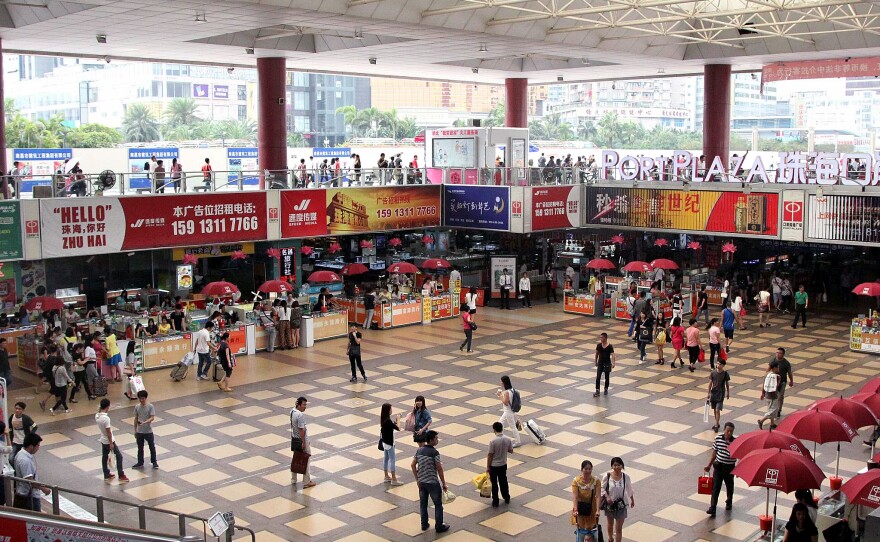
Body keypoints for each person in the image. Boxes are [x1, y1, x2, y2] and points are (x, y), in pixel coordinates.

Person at [411, 430, 450, 533]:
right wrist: (444, 483)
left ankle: (424, 524)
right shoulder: (434, 452)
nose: (437, 440)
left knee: (423, 504)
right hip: (432, 482)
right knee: (438, 504)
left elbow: (412, 465)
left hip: (422, 482)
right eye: (436, 438)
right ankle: (439, 526)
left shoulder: (419, 451)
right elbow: (439, 468)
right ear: (431, 440)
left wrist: (417, 479)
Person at [704, 422, 737, 518]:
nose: (729, 433)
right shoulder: (718, 439)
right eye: (727, 431)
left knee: (729, 486)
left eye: (731, 431)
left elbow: (739, 455)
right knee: (716, 487)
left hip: (729, 467)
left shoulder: (735, 442)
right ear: (724, 430)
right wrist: (709, 465)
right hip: (718, 467)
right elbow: (714, 452)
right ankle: (713, 507)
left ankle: (729, 501)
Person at [13, 433, 50, 511]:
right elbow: (29, 480)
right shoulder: (24, 460)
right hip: (29, 497)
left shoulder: (20, 454)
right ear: (31, 446)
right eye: (38, 446)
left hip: (24, 494)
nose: (38, 448)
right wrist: (44, 489)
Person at [96, 398, 129, 483]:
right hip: (108, 441)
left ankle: (106, 474)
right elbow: (109, 432)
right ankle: (121, 474)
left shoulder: (97, 416)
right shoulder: (106, 418)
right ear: (108, 407)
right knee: (119, 456)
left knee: (104, 456)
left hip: (103, 439)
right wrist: (111, 443)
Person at [602, 457, 635, 542]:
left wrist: (632, 499)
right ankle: (610, 538)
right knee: (610, 524)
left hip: (621, 504)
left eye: (618, 465)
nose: (617, 467)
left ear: (622, 466)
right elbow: (602, 488)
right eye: (615, 465)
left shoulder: (625, 477)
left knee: (619, 528)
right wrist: (607, 496)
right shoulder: (607, 476)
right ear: (612, 466)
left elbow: (629, 488)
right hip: (610, 504)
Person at [571, 459, 602, 542]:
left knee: (592, 529)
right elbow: (575, 496)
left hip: (592, 507)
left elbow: (598, 496)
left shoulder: (596, 481)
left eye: (589, 469)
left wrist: (598, 510)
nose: (588, 471)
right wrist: (575, 509)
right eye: (586, 469)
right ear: (582, 469)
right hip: (581, 507)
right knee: (581, 529)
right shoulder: (576, 481)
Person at [290, 396, 316, 489]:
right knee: (306, 459)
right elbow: (301, 429)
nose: (305, 407)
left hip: (294, 440)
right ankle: (306, 481)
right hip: (301, 440)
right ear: (299, 405)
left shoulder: (292, 411)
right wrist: (303, 442)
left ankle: (293, 479)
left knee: (295, 458)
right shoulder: (300, 415)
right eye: (304, 405)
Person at [486, 421, 514, 508]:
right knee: (503, 482)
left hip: (494, 466)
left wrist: (488, 467)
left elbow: (490, 454)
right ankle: (506, 497)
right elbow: (511, 451)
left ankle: (495, 501)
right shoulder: (508, 439)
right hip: (503, 464)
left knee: (494, 484)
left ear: (494, 430)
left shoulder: (493, 441)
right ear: (502, 428)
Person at [132, 390, 158, 469]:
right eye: (140, 398)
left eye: (143, 398)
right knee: (140, 448)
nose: (141, 400)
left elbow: (152, 417)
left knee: (152, 447)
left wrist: (145, 422)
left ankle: (154, 462)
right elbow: (136, 418)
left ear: (145, 398)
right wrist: (135, 430)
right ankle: (140, 462)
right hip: (140, 431)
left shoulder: (150, 406)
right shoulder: (137, 407)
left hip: (148, 431)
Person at [380, 403, 403, 486]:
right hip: (389, 443)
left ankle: (386, 476)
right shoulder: (387, 420)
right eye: (391, 409)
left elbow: (392, 426)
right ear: (388, 410)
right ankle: (394, 479)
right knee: (392, 460)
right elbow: (399, 428)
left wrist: (396, 421)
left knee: (386, 459)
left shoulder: (384, 419)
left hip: (385, 442)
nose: (392, 410)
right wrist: (399, 418)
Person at [496, 376, 522, 447]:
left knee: (512, 426)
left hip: (508, 412)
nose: (501, 383)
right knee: (500, 423)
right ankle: (500, 439)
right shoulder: (513, 390)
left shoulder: (507, 392)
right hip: (510, 411)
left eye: (501, 381)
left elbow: (505, 402)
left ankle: (518, 441)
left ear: (504, 383)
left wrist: (500, 395)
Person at [707, 359, 731, 432]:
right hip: (714, 393)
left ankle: (717, 425)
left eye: (720, 364)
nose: (718, 365)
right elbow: (710, 383)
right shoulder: (713, 373)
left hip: (721, 394)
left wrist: (728, 393)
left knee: (717, 409)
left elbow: (727, 384)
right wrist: (708, 393)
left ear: (723, 366)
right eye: (717, 363)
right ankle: (717, 423)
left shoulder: (725, 374)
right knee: (714, 409)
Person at [758, 360, 781, 430]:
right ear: (774, 368)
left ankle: (772, 423)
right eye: (777, 367)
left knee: (770, 409)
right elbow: (776, 387)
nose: (778, 369)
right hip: (773, 396)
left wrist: (762, 393)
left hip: (767, 395)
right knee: (773, 410)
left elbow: (764, 384)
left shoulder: (767, 375)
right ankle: (761, 421)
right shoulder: (777, 376)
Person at [772, 347, 794, 412]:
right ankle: (773, 409)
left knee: (780, 396)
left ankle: (779, 409)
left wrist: (791, 381)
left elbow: (789, 372)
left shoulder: (786, 363)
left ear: (783, 354)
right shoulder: (773, 361)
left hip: (782, 382)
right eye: (777, 352)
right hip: (774, 382)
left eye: (780, 353)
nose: (778, 354)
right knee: (773, 396)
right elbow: (768, 369)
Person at [594, 332, 615, 397]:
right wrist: (595, 361)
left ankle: (606, 388)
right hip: (600, 363)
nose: (601, 339)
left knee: (607, 377)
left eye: (602, 337)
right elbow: (596, 353)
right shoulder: (599, 345)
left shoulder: (610, 346)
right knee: (598, 377)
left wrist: (613, 362)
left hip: (607, 363)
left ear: (605, 338)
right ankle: (597, 390)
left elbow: (613, 355)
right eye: (600, 337)